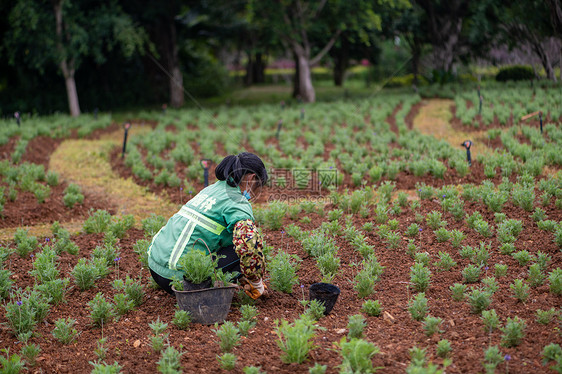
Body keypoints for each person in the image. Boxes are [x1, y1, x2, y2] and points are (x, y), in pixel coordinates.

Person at [147, 152, 269, 299]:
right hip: (180, 280)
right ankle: (216, 289)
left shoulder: (211, 189)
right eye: (258, 186)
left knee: (236, 241)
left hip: (155, 269)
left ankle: (239, 280)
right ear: (251, 178)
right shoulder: (238, 202)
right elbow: (250, 246)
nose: (257, 193)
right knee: (247, 245)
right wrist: (257, 283)